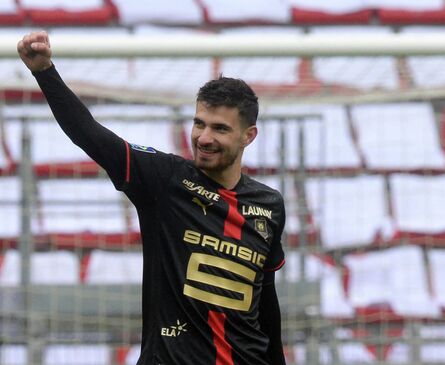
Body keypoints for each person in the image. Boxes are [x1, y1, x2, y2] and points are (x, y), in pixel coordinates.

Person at [18, 30, 286, 365]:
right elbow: (90, 135)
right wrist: (45, 72)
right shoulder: (165, 180)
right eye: (199, 123)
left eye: (219, 129)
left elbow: (265, 303)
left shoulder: (269, 205)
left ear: (249, 136)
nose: (204, 138)